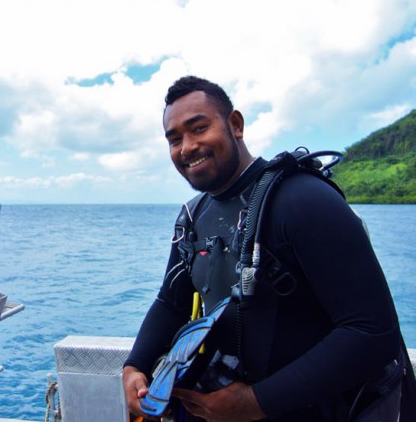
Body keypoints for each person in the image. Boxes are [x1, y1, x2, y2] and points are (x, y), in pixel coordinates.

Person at [122, 76, 414, 421]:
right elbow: (171, 301)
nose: (186, 147)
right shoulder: (192, 216)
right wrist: (135, 365)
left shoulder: (303, 200)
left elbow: (371, 331)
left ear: (235, 124)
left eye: (198, 128)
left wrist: (256, 402)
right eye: (174, 139)